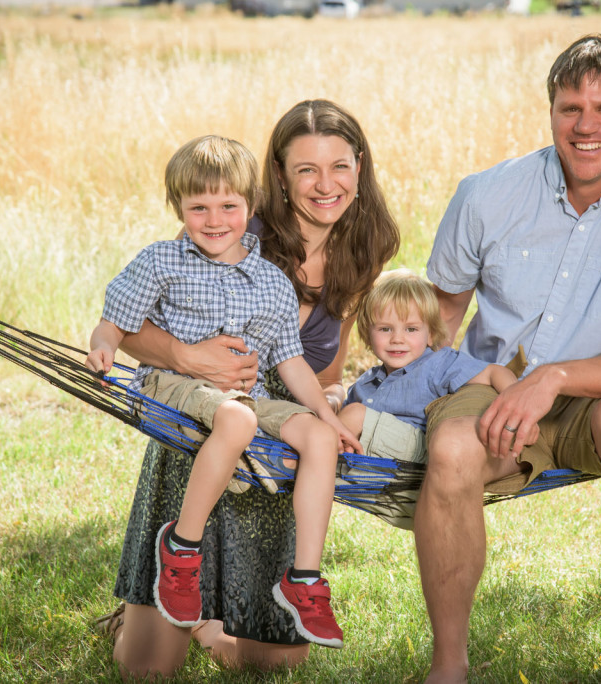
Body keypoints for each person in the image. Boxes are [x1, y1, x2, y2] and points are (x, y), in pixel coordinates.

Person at [416, 35, 601, 683]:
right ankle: (449, 666)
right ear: (550, 110)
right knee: (451, 449)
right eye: (569, 106)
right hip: (493, 386)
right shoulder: (485, 195)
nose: (585, 125)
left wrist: (552, 379)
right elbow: (434, 326)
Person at [95, 101, 400, 678]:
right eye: (305, 169)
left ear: (359, 168)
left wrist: (328, 405)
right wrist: (188, 356)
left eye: (339, 166)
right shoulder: (233, 225)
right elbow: (135, 323)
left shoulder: (366, 242)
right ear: (278, 177)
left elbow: (321, 365)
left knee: (278, 661)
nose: (325, 184)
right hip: (203, 422)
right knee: (148, 669)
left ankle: (213, 621)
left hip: (275, 428)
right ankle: (147, 604)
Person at [336, 270, 518, 530]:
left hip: (422, 459)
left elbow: (494, 372)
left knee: (352, 415)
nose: (397, 338)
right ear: (367, 334)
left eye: (411, 329)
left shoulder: (437, 363)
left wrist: (516, 413)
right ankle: (312, 461)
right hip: (379, 469)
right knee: (337, 419)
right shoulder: (366, 384)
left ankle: (303, 462)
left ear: (431, 334)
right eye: (385, 329)